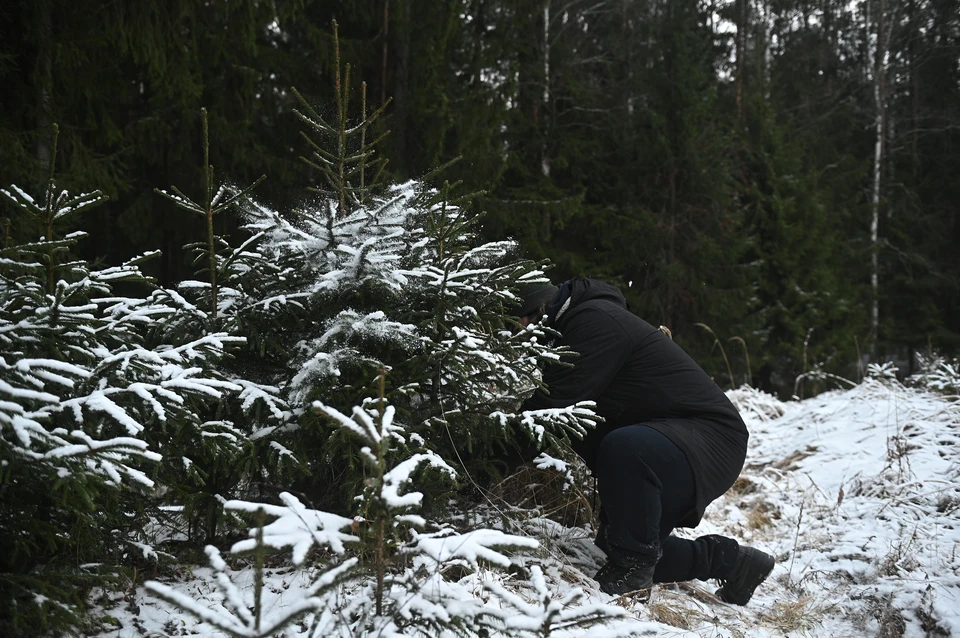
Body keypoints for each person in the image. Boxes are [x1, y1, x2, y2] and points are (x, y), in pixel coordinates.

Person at [511, 278, 775, 604]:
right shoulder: (575, 326)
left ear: (538, 310)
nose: (517, 335)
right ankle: (734, 562)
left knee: (631, 528)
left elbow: (547, 414)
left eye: (518, 323)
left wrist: (475, 467)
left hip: (711, 437)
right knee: (618, 542)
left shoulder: (593, 322)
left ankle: (633, 573)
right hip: (667, 442)